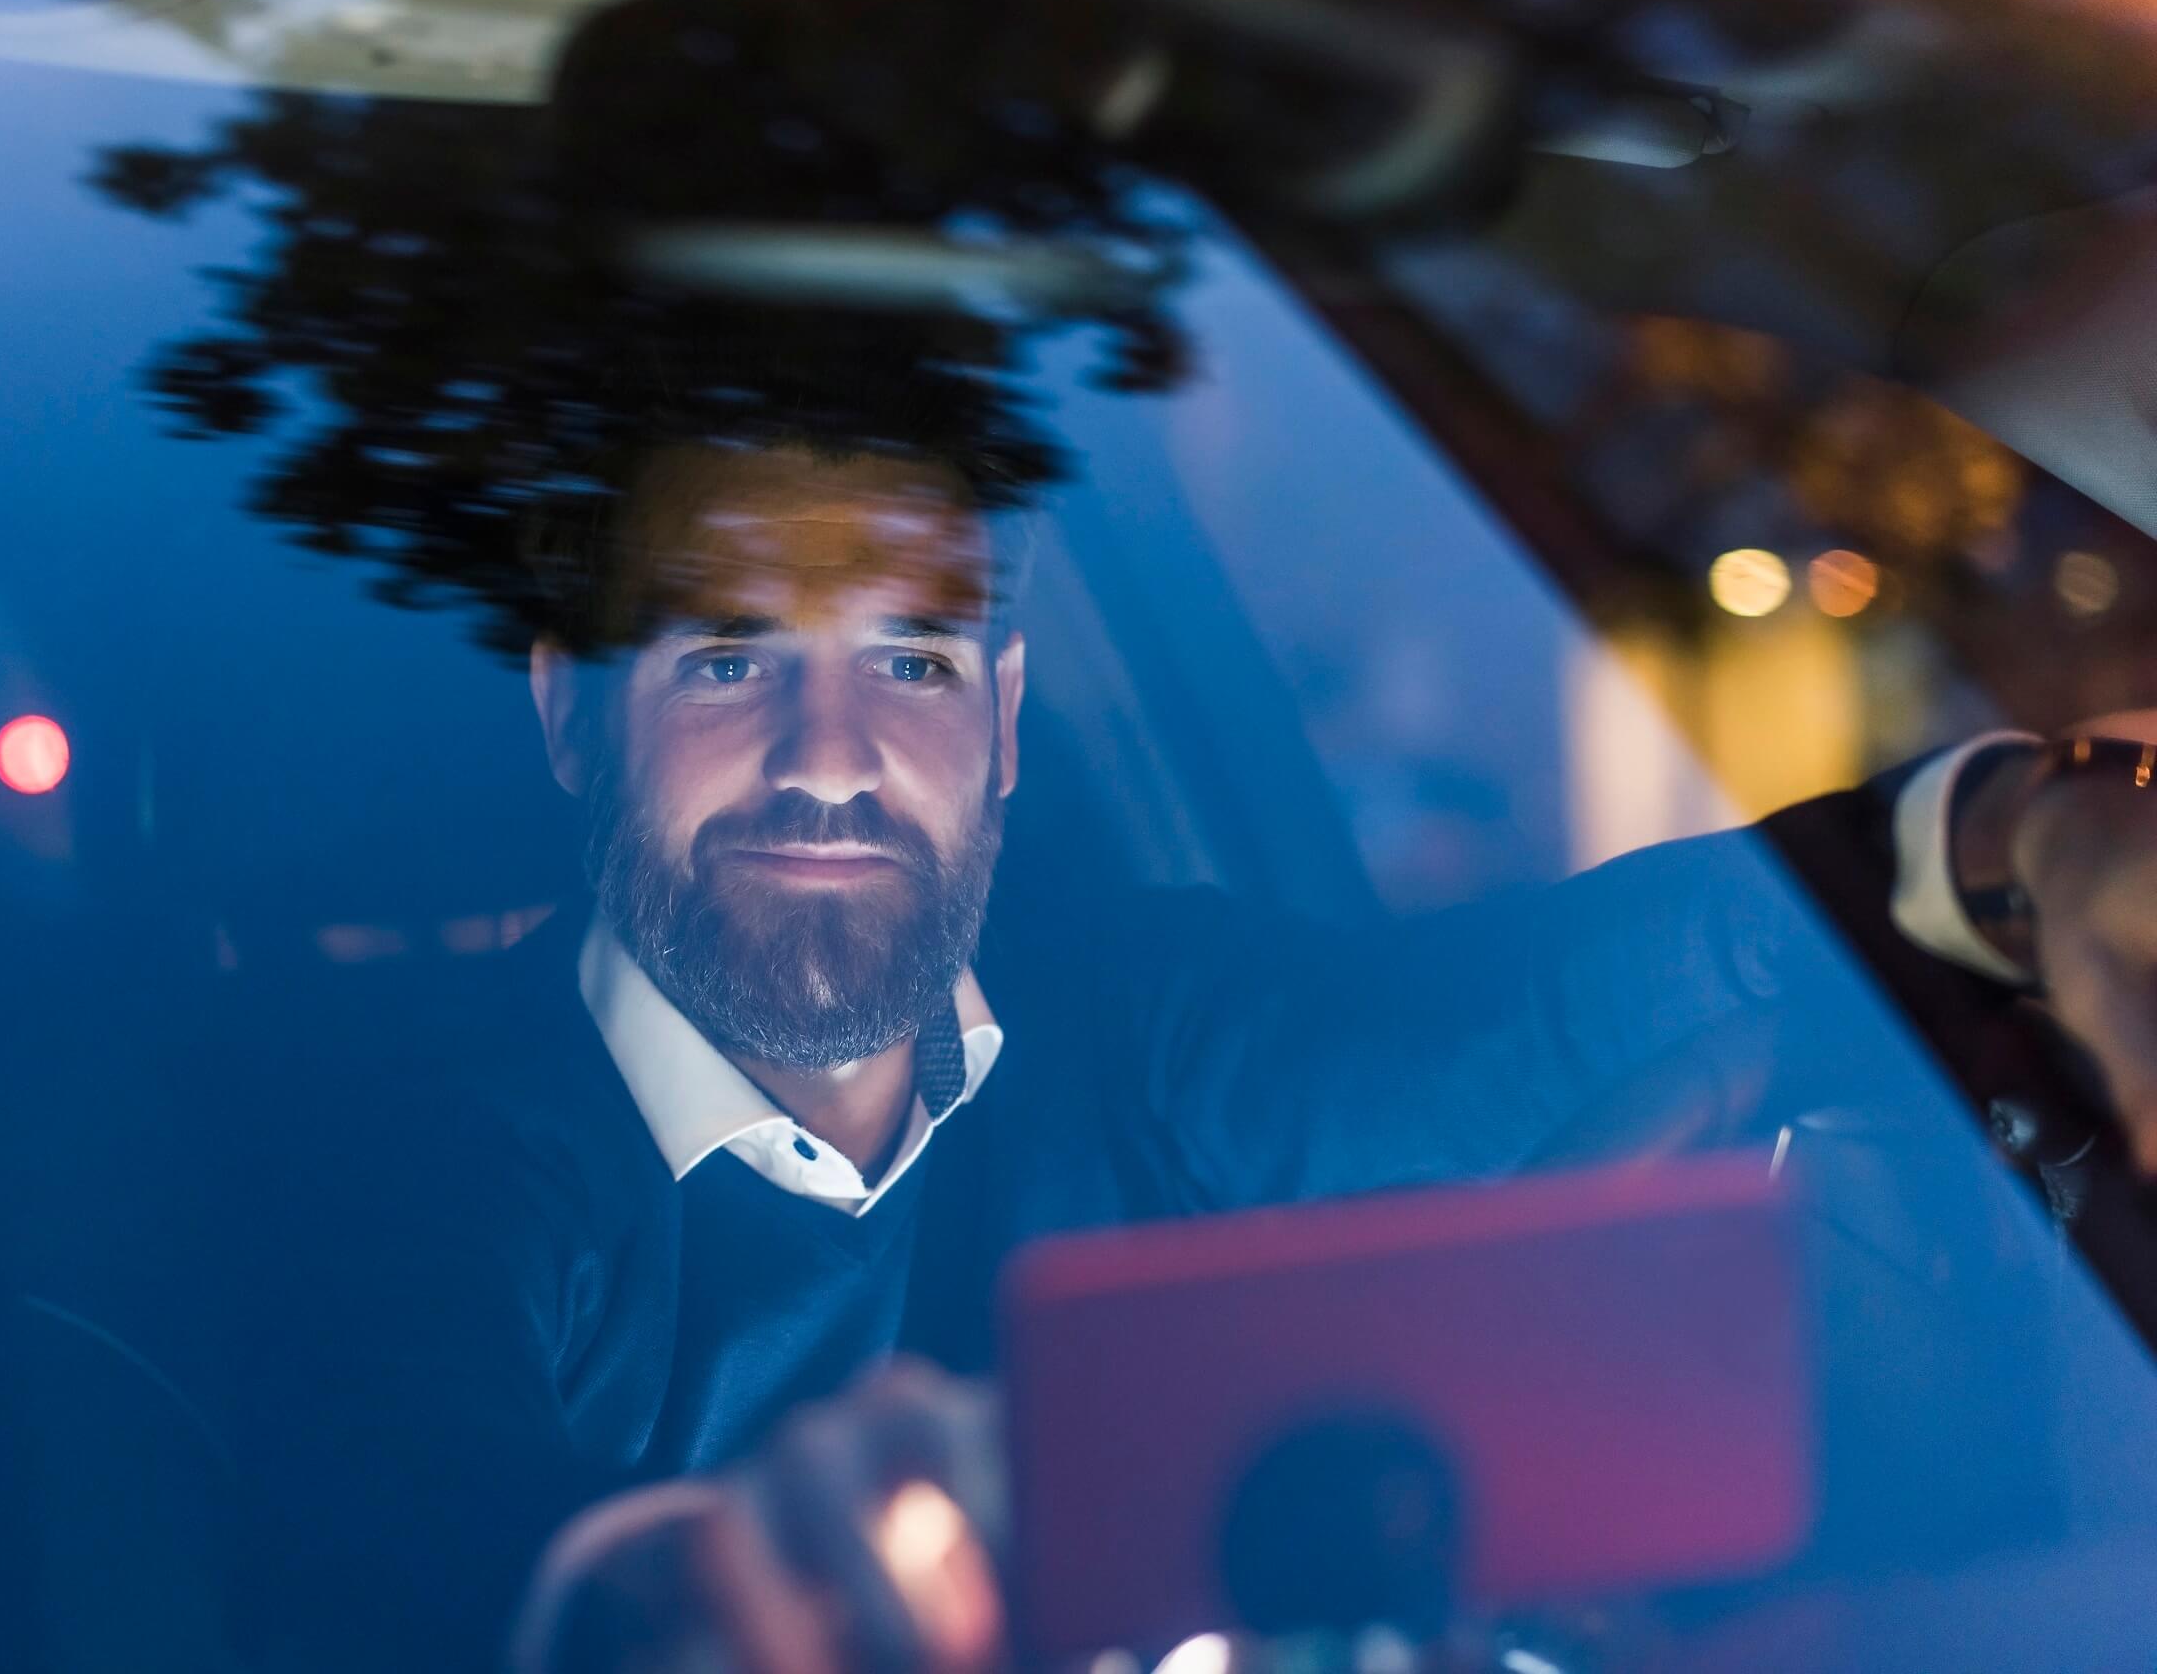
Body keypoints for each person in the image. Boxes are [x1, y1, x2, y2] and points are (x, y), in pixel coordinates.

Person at [209, 413, 2157, 1673]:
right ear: (571, 712)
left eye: (908, 662)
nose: (830, 759)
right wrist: (709, 1576)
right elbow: (443, 1527)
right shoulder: (402, 1159)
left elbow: (1558, 1008)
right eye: (728, 660)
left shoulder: (1146, 1029)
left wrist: (2017, 836)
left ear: (1000, 719)